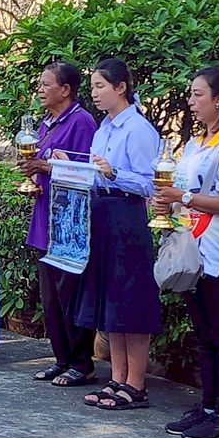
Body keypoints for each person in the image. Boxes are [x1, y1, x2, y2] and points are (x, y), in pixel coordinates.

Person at [152, 67, 219, 438]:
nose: (191, 102)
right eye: (190, 95)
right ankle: (208, 408)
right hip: (191, 249)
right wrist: (166, 203)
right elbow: (181, 190)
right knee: (204, 335)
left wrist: (184, 197)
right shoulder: (196, 144)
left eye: (198, 95)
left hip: (216, 252)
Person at [74, 59, 162, 412]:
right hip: (104, 213)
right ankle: (118, 377)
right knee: (112, 301)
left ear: (120, 87)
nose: (95, 94)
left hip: (127, 216)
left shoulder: (137, 129)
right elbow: (95, 172)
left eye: (101, 86)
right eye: (93, 87)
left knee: (131, 300)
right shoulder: (104, 128)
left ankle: (136, 384)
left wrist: (114, 174)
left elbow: (149, 183)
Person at [17, 62, 98, 386]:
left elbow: (87, 173)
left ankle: (82, 364)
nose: (40, 90)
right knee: (51, 297)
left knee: (70, 295)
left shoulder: (81, 122)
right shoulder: (46, 123)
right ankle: (61, 359)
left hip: (69, 224)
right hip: (45, 218)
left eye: (46, 84)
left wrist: (46, 167)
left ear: (65, 89)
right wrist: (34, 176)